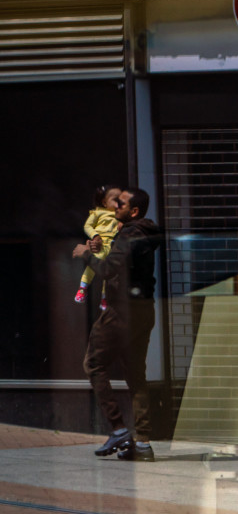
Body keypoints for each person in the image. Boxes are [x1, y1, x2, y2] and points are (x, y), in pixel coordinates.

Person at [79, 187, 161, 462]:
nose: (115, 207)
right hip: (144, 310)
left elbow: (107, 270)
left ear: (134, 211)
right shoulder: (144, 233)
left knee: (94, 364)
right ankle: (143, 445)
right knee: (136, 375)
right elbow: (122, 264)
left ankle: (118, 429)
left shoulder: (128, 233)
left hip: (121, 311)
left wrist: (85, 254)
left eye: (121, 203)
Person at [72, 185, 121, 306]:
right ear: (104, 202)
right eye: (116, 200)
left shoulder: (119, 215)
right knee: (93, 266)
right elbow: (87, 226)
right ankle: (82, 288)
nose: (119, 203)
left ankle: (104, 297)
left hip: (113, 244)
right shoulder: (98, 213)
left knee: (108, 272)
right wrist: (95, 235)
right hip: (101, 243)